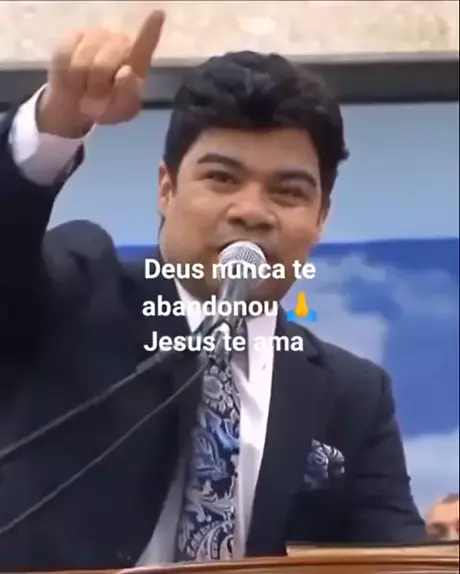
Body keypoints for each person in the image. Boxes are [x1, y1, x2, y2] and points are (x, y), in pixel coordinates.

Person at [0, 9, 426, 571]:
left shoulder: (354, 395)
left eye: (288, 192)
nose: (251, 211)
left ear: (321, 218)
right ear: (166, 188)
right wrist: (54, 126)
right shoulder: (77, 289)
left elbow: (397, 559)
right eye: (222, 178)